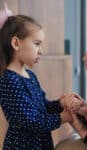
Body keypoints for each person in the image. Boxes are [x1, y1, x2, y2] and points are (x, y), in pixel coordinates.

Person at [0, 15, 82, 150]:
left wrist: (60, 104)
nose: (41, 50)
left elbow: (43, 108)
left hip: (41, 144)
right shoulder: (8, 80)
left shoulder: (30, 75)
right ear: (16, 43)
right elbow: (32, 121)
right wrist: (63, 117)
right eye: (37, 43)